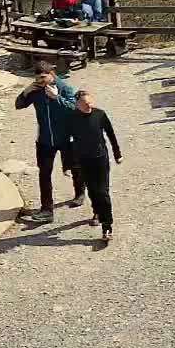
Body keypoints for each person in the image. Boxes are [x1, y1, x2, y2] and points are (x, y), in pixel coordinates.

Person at [15, 68, 82, 219]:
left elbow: (75, 110)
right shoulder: (35, 90)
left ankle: (80, 193)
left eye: (42, 78)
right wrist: (26, 91)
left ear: (51, 75)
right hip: (44, 140)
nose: (39, 81)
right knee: (44, 174)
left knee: (75, 167)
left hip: (66, 138)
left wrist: (56, 97)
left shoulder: (65, 88)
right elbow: (19, 105)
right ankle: (47, 209)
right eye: (37, 78)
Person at [65, 88, 123, 242]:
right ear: (77, 105)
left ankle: (107, 226)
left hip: (101, 158)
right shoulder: (72, 119)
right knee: (92, 190)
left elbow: (111, 134)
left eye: (90, 102)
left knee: (103, 192)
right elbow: (68, 143)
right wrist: (67, 164)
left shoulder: (100, 114)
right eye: (85, 104)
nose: (88, 106)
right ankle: (97, 211)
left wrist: (117, 153)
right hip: (84, 160)